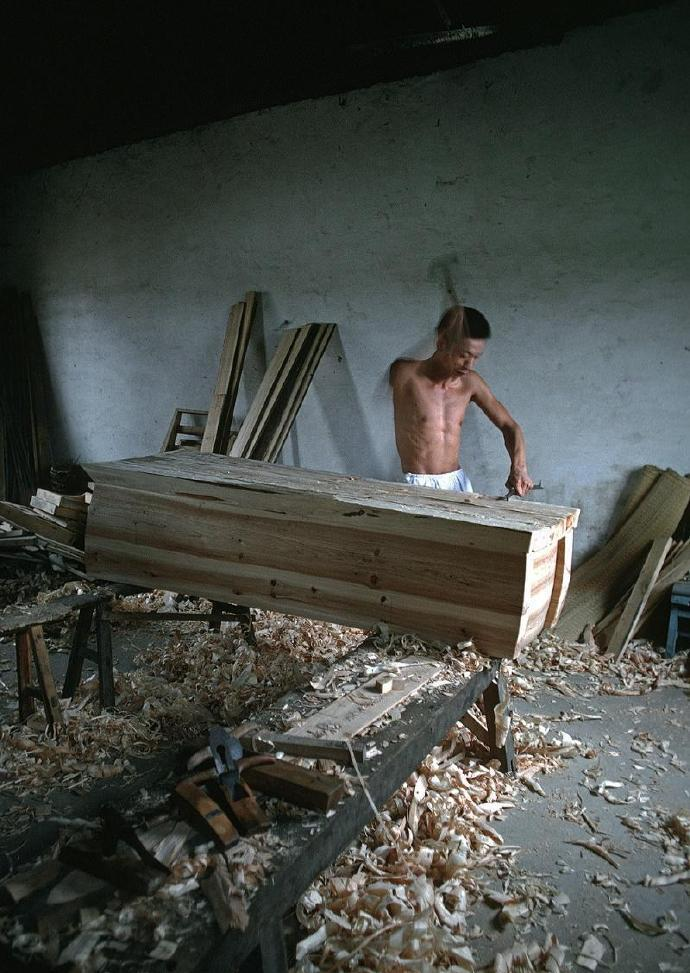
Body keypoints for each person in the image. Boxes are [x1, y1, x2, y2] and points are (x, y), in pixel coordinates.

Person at [389, 305, 533, 496]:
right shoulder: (405, 374)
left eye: (475, 357)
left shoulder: (471, 383)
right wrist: (451, 325)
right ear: (442, 342)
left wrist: (519, 467)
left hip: (457, 482)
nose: (469, 365)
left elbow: (510, 426)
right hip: (418, 483)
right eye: (463, 355)